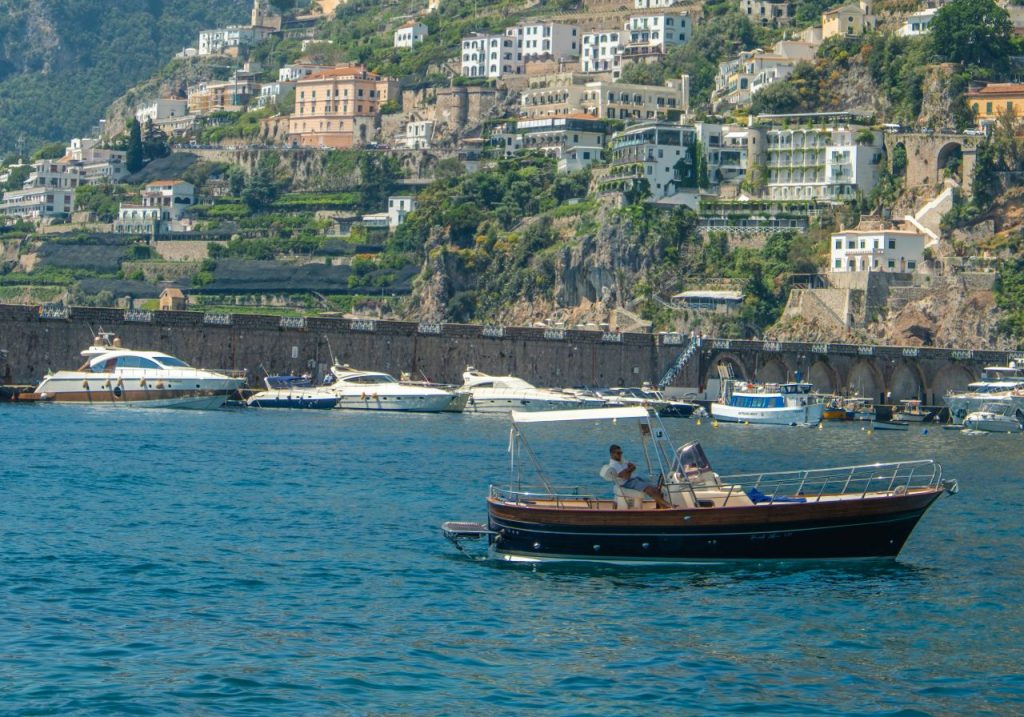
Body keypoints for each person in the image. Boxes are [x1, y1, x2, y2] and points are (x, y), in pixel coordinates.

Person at [604, 444, 672, 509]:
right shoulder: (614, 465)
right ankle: (667, 505)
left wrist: (627, 470)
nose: (620, 455)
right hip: (627, 483)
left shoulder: (621, 460)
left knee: (655, 488)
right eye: (618, 453)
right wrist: (630, 469)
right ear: (612, 454)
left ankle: (662, 505)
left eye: (621, 453)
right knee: (649, 489)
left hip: (633, 479)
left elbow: (633, 466)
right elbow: (626, 477)